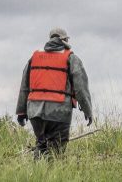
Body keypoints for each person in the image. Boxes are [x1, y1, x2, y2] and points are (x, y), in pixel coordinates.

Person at [16, 27, 93, 157]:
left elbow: (24, 86)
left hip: (35, 112)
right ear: (65, 40)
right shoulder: (71, 58)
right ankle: (52, 175)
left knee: (41, 146)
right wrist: (87, 110)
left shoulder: (34, 57)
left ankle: (37, 175)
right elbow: (81, 88)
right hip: (59, 111)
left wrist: (21, 112)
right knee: (56, 149)